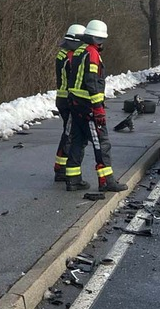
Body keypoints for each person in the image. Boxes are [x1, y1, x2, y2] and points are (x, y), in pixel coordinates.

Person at [65, 20, 127, 193]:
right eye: (101, 40)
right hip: (88, 107)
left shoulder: (79, 50)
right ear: (96, 38)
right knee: (102, 143)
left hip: (76, 104)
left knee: (78, 141)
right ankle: (106, 181)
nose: (102, 44)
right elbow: (92, 81)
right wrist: (98, 108)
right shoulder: (91, 53)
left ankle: (73, 179)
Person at [53, 24, 86, 182]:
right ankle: (61, 169)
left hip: (62, 98)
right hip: (68, 100)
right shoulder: (70, 56)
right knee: (69, 134)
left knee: (68, 132)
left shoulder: (63, 54)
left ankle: (61, 166)